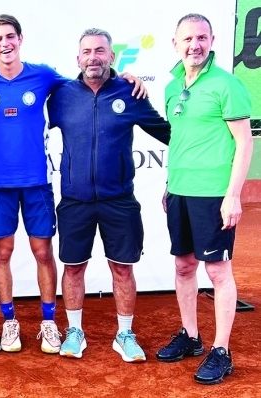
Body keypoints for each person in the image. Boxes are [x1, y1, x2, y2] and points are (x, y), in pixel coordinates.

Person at [0, 14, 146, 354]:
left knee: (43, 252)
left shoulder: (45, 75)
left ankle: (49, 323)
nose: (5, 43)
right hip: (0, 186)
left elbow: (90, 82)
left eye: (10, 36)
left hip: (37, 184)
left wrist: (124, 77)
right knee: (2, 252)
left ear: (20, 39)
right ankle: (9, 323)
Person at [46, 28, 170, 362]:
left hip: (119, 200)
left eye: (100, 51)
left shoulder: (130, 93)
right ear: (77, 58)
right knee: (73, 269)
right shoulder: (60, 96)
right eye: (86, 52)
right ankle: (74, 331)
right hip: (74, 201)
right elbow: (28, 123)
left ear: (112, 57)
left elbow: (169, 134)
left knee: (123, 269)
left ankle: (124, 335)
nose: (93, 58)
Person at [155, 13, 254, 385]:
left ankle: (221, 350)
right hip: (180, 190)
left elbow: (244, 143)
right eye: (187, 39)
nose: (194, 45)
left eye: (201, 38)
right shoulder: (171, 86)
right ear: (175, 43)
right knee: (183, 266)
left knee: (216, 271)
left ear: (212, 40)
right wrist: (170, 183)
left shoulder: (227, 85)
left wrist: (233, 195)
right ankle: (191, 336)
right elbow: (181, 138)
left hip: (214, 194)